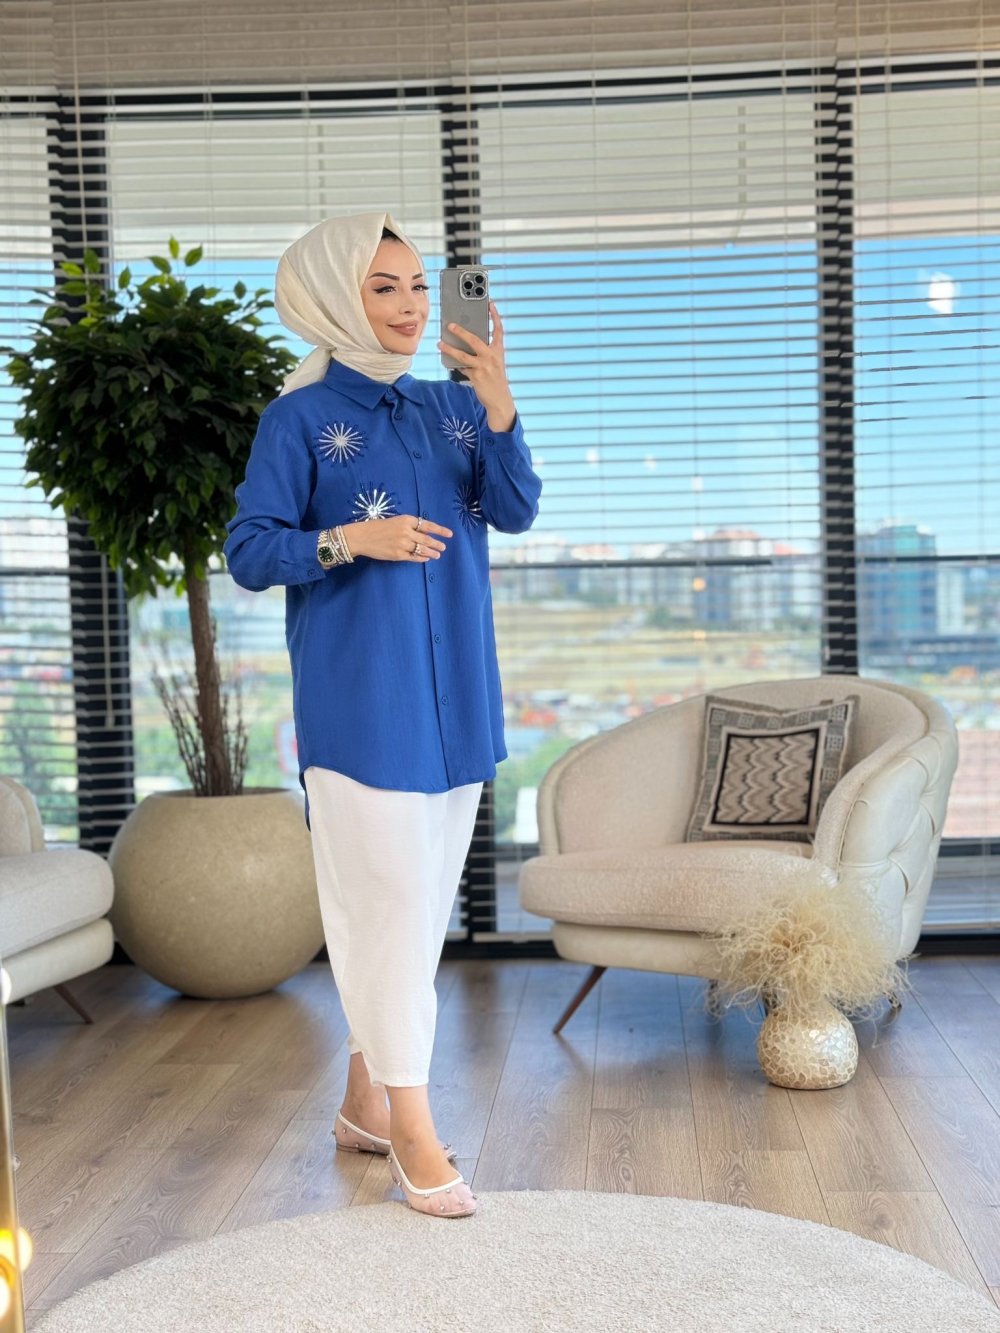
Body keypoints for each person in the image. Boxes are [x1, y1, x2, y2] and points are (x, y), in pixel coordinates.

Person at [223, 211, 542, 1218]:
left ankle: (363, 1102)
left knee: (412, 915)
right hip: (363, 709)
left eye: (418, 286)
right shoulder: (301, 419)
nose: (410, 307)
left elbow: (516, 509)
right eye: (383, 287)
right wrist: (348, 539)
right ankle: (412, 1125)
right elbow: (249, 550)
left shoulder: (454, 406)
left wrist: (499, 404)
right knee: (392, 909)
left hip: (460, 707)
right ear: (332, 298)